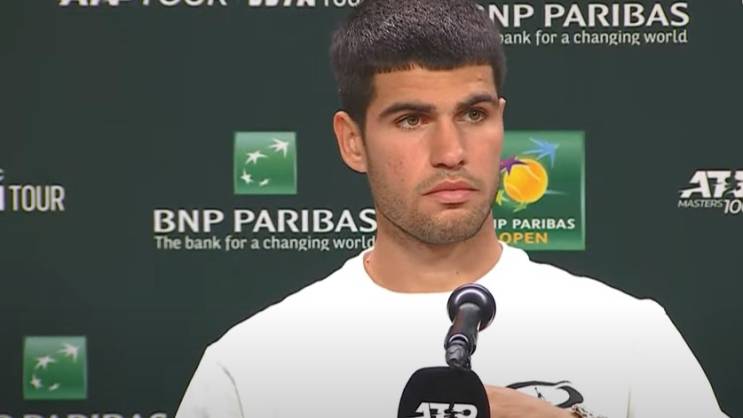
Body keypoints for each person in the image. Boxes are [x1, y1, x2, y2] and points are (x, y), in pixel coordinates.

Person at [175, 0, 728, 417]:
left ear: (501, 121)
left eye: (473, 114)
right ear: (352, 142)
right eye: (411, 120)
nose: (451, 152)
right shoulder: (250, 365)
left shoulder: (629, 335)